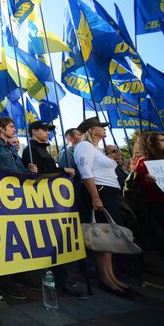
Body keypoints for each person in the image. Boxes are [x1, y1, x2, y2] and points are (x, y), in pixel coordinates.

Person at [21, 121, 85, 300]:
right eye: (44, 130)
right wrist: (62, 169)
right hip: (42, 202)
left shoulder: (43, 149)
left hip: (52, 202)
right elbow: (39, 173)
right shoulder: (30, 151)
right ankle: (56, 279)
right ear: (34, 131)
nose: (48, 133)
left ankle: (60, 277)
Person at [74, 117, 133, 298]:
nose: (104, 129)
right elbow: (85, 172)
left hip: (107, 193)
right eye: (101, 127)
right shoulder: (84, 146)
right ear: (92, 130)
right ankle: (105, 278)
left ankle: (111, 276)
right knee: (101, 235)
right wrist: (96, 197)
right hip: (98, 192)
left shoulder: (95, 148)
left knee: (107, 237)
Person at [0, 117, 38, 300]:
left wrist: (29, 171)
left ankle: (18, 275)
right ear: (1, 129)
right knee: (4, 241)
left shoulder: (10, 148)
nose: (15, 129)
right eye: (12, 126)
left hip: (18, 200)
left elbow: (20, 173)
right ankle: (2, 282)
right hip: (4, 202)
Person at [130, 131, 164, 255]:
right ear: (151, 144)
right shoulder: (143, 162)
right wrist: (146, 181)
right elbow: (137, 185)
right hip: (156, 203)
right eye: (161, 140)